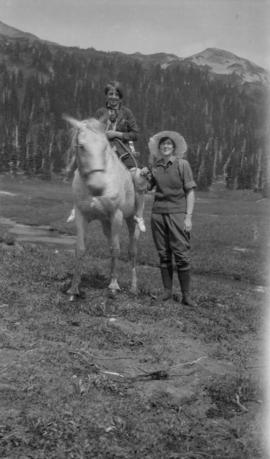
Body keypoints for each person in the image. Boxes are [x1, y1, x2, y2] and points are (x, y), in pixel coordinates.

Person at [66, 81, 147, 232]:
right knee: (81, 172)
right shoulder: (100, 112)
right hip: (103, 148)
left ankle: (139, 214)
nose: (114, 97)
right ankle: (76, 206)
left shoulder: (127, 113)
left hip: (122, 149)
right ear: (107, 96)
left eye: (117, 94)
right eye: (111, 94)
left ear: (120, 97)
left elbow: (135, 134)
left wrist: (118, 134)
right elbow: (92, 131)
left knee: (138, 177)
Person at [146, 131, 196, 305]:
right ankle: (167, 292)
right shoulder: (156, 166)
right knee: (163, 254)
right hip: (158, 214)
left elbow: (190, 192)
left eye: (169, 144)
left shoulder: (182, 165)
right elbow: (146, 187)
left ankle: (186, 296)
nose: (166, 147)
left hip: (177, 213)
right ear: (159, 148)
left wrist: (188, 217)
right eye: (163, 144)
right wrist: (143, 176)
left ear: (174, 148)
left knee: (181, 254)